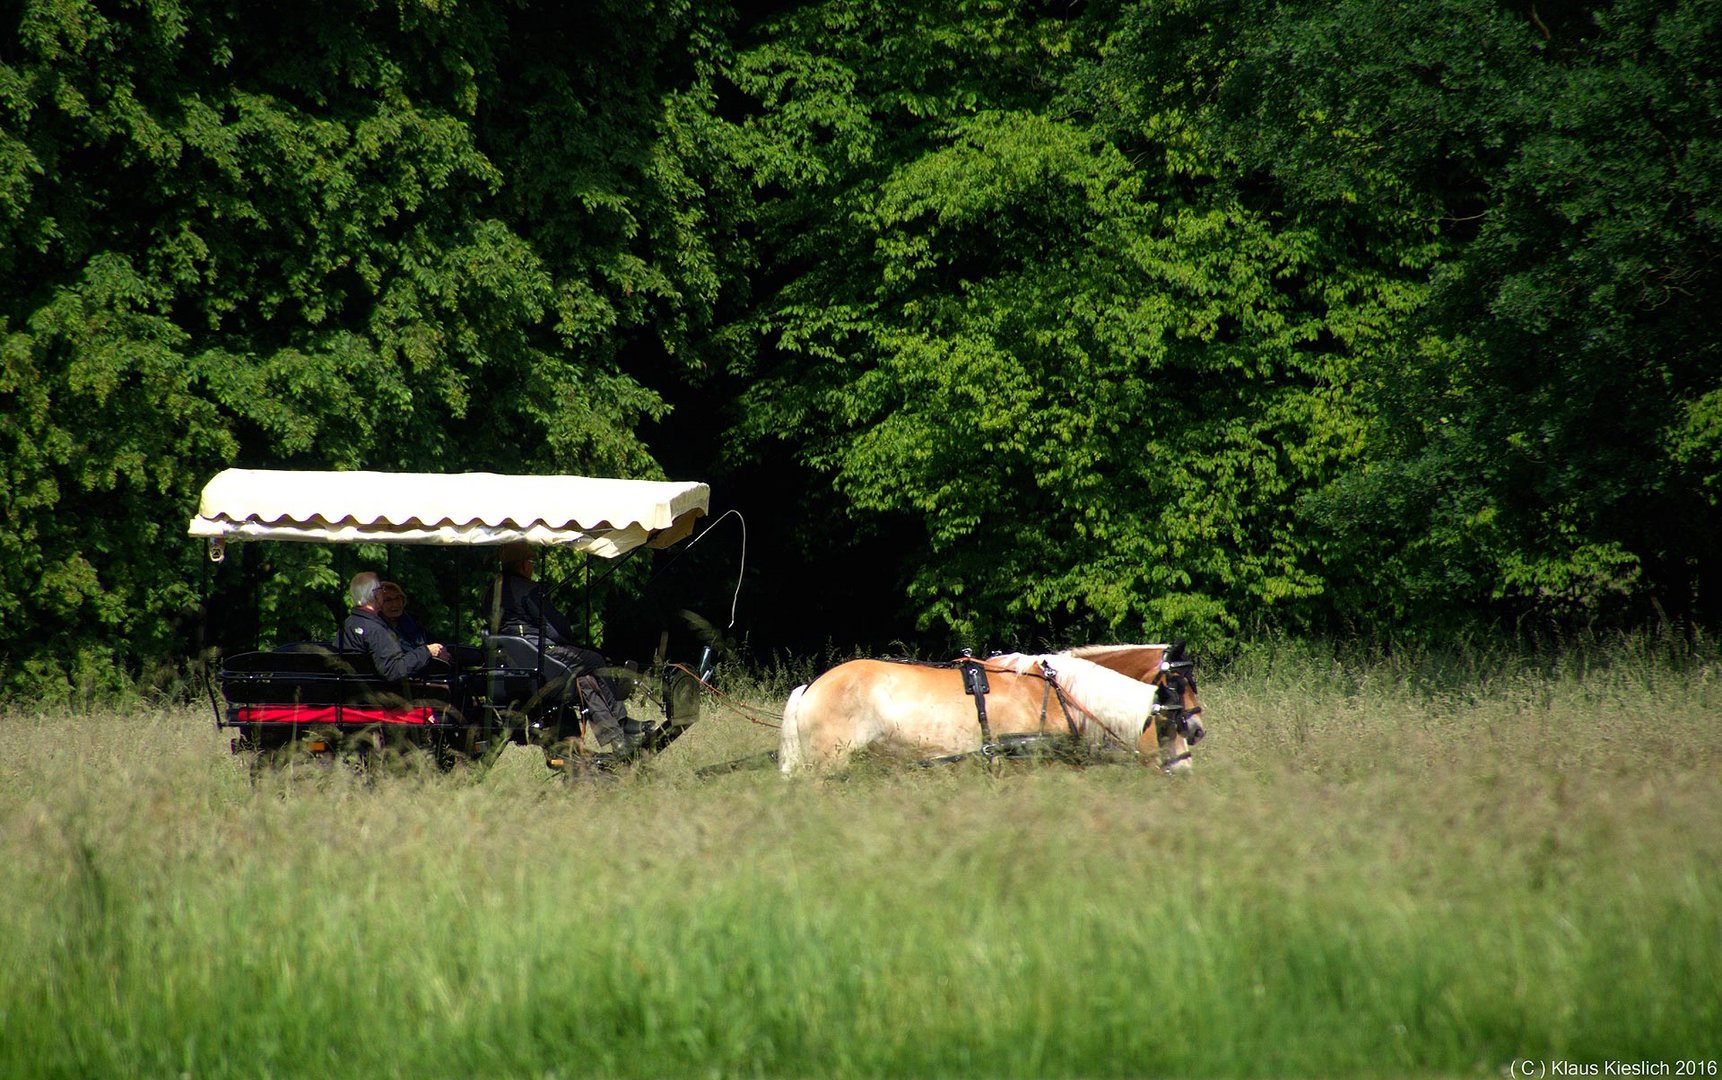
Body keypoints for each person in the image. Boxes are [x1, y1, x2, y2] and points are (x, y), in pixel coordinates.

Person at [491, 542, 638, 755]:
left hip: (511, 659)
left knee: (582, 679)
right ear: (523, 565)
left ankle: (617, 735)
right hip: (539, 655)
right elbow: (557, 631)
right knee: (594, 660)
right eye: (531, 562)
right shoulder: (528, 590)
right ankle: (622, 722)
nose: (532, 566)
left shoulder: (492, 590)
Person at [339, 571, 451, 680]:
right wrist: (427, 651)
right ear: (375, 594)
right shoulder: (377, 629)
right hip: (382, 693)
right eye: (381, 590)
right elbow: (393, 670)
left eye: (398, 599)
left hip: (356, 689)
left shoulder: (349, 623)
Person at [376, 580, 428, 648]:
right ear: (377, 604)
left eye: (397, 598)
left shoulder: (413, 621)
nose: (395, 604)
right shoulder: (375, 628)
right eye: (388, 600)